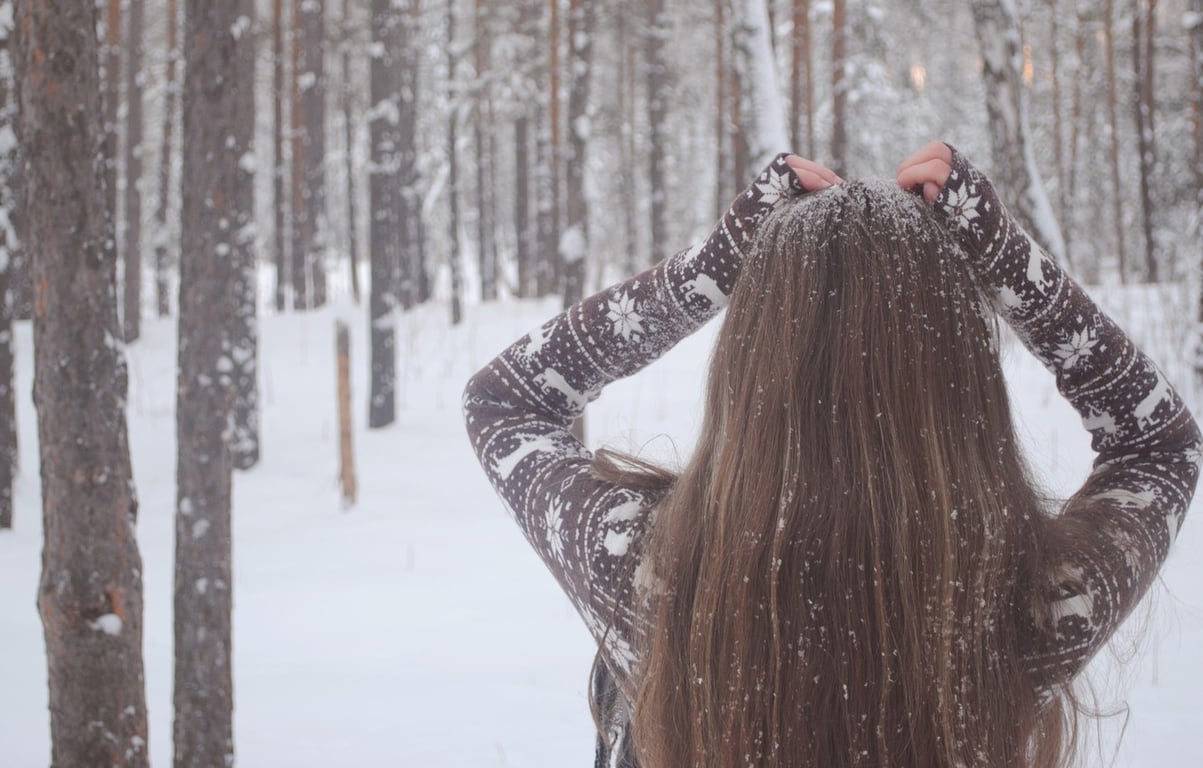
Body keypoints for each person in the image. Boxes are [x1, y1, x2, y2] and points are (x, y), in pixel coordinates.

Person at [462, 142, 1201, 768]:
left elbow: (507, 403)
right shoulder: (1022, 609)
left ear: (750, 373)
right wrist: (1005, 260)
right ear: (961, 389)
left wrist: (709, 270)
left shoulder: (654, 579)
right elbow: (1157, 445)